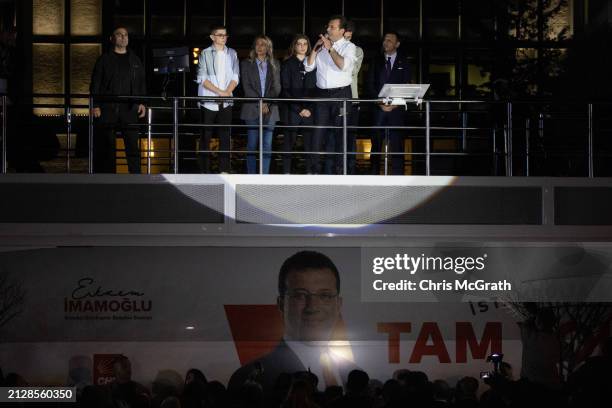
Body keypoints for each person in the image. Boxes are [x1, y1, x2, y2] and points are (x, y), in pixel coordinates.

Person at [228, 251, 358, 395]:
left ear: (338, 304)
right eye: (300, 295)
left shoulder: (352, 372)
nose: (312, 307)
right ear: (281, 304)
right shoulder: (250, 380)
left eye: (324, 296)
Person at [305, 15, 357, 174]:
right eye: (327, 26)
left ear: (342, 31)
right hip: (322, 95)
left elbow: (342, 65)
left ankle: (340, 172)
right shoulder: (321, 46)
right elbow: (308, 67)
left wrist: (331, 49)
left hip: (341, 95)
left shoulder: (349, 47)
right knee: (318, 134)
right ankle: (313, 171)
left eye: (332, 27)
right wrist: (315, 48)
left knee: (341, 135)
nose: (327, 29)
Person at [90, 26, 146, 174]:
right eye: (119, 34)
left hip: (130, 108)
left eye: (126, 34)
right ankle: (109, 178)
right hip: (108, 108)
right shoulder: (104, 59)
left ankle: (136, 177)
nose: (123, 37)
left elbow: (141, 83)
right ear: (112, 39)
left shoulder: (135, 60)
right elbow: (95, 83)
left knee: (133, 145)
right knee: (108, 146)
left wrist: (141, 102)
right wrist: (95, 105)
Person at [366, 31, 411, 175]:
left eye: (390, 40)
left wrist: (395, 104)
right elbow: (369, 85)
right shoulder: (375, 60)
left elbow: (407, 85)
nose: (386, 42)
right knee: (376, 145)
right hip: (378, 110)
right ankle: (373, 176)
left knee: (397, 145)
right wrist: (380, 103)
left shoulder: (404, 62)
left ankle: (399, 178)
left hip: (396, 111)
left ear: (397, 44)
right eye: (385, 40)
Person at [196, 25, 239, 174]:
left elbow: (235, 77)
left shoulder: (232, 53)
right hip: (209, 100)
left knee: (225, 135)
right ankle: (204, 170)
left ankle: (224, 170)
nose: (223, 37)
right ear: (212, 37)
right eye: (220, 35)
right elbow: (202, 78)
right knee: (205, 135)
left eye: (225, 35)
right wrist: (221, 92)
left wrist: (227, 92)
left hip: (226, 100)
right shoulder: (205, 53)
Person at [240, 35, 281, 174]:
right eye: (257, 44)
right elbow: (247, 87)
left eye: (263, 44)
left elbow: (276, 88)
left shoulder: (275, 63)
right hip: (251, 108)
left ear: (268, 47)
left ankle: (264, 175)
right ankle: (251, 176)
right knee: (252, 144)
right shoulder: (246, 64)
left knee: (267, 145)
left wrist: (267, 103)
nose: (260, 47)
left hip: (270, 109)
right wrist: (261, 103)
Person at [281, 35, 317, 174]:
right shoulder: (287, 64)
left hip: (310, 110)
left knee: (310, 143)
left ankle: (310, 172)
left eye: (305, 44)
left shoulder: (314, 64)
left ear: (308, 46)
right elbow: (285, 89)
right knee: (288, 143)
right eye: (299, 44)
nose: (302, 46)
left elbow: (318, 88)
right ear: (294, 46)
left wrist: (309, 108)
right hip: (292, 109)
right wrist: (299, 109)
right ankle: (286, 173)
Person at [341, 21, 363, 175]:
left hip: (352, 99)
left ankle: (350, 170)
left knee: (351, 137)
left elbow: (351, 71)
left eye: (349, 36)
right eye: (344, 35)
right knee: (334, 136)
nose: (346, 39)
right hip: (334, 100)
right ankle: (336, 170)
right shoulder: (330, 49)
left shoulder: (357, 50)